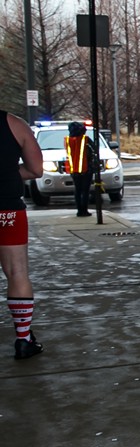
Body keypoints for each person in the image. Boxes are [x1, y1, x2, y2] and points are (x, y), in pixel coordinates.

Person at [1, 110, 44, 359]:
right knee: (17, 272)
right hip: (7, 210)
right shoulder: (14, 124)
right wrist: (7, 173)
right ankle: (24, 339)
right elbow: (36, 169)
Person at [64, 121, 96, 217]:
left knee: (77, 190)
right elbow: (94, 149)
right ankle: (84, 210)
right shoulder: (85, 140)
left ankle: (79, 210)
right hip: (86, 168)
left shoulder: (68, 140)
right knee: (85, 190)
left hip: (73, 169)